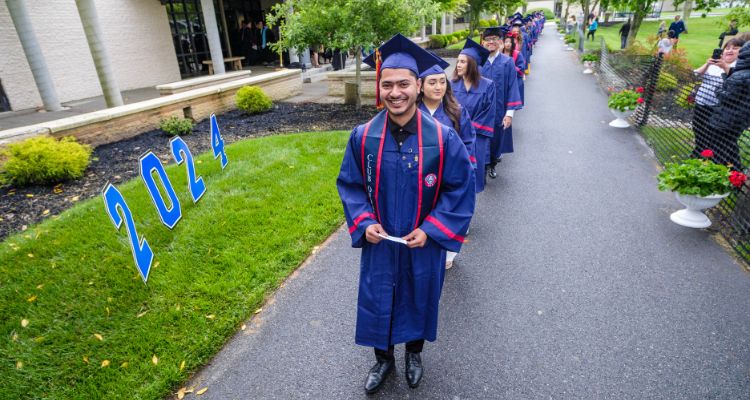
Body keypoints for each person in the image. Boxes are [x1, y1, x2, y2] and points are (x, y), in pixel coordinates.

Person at [337, 33, 476, 394]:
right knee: (378, 297)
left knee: (419, 296)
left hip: (422, 243)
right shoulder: (363, 136)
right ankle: (383, 360)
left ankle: (414, 354)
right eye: (387, 85)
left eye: (403, 84)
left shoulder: (443, 138)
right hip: (381, 242)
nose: (395, 92)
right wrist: (364, 223)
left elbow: (458, 189)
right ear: (378, 87)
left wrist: (431, 229)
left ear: (418, 85)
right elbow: (350, 185)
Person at [418, 63, 477, 269]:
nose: (438, 87)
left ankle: (449, 252)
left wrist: (464, 171)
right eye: (432, 82)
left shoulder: (457, 112)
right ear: (421, 86)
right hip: (420, 176)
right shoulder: (412, 113)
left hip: (449, 175)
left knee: (449, 211)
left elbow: (468, 143)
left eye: (442, 82)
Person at [451, 38, 496, 193]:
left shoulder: (488, 85)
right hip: (455, 135)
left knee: (473, 174)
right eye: (458, 61)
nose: (458, 65)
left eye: (463, 62)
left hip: (477, 137)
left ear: (472, 64)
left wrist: (468, 129)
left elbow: (488, 113)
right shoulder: (452, 85)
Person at [480, 27, 522, 179]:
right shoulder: (478, 62)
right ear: (483, 42)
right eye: (488, 39)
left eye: (494, 39)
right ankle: (482, 167)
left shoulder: (507, 62)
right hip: (480, 112)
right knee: (481, 140)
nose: (491, 42)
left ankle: (492, 165)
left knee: (497, 140)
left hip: (499, 110)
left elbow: (512, 87)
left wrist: (509, 114)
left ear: (500, 42)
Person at [692, 38, 745, 158]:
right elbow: (695, 74)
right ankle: (700, 153)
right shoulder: (714, 64)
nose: (730, 50)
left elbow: (736, 82)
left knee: (712, 137)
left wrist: (725, 67)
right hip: (701, 104)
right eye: (727, 48)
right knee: (698, 130)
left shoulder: (739, 67)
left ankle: (707, 157)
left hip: (717, 109)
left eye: (735, 48)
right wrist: (708, 63)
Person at [708, 41, 750, 170]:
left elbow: (727, 97)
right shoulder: (742, 74)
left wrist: (718, 89)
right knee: (729, 145)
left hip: (727, 118)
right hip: (740, 118)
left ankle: (734, 173)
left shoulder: (740, 74)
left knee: (724, 146)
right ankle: (734, 174)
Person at [503, 30, 526, 103]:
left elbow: (521, 68)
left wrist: (511, 67)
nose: (508, 44)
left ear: (512, 43)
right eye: (506, 42)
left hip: (515, 80)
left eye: (510, 42)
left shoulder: (517, 54)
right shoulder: (499, 54)